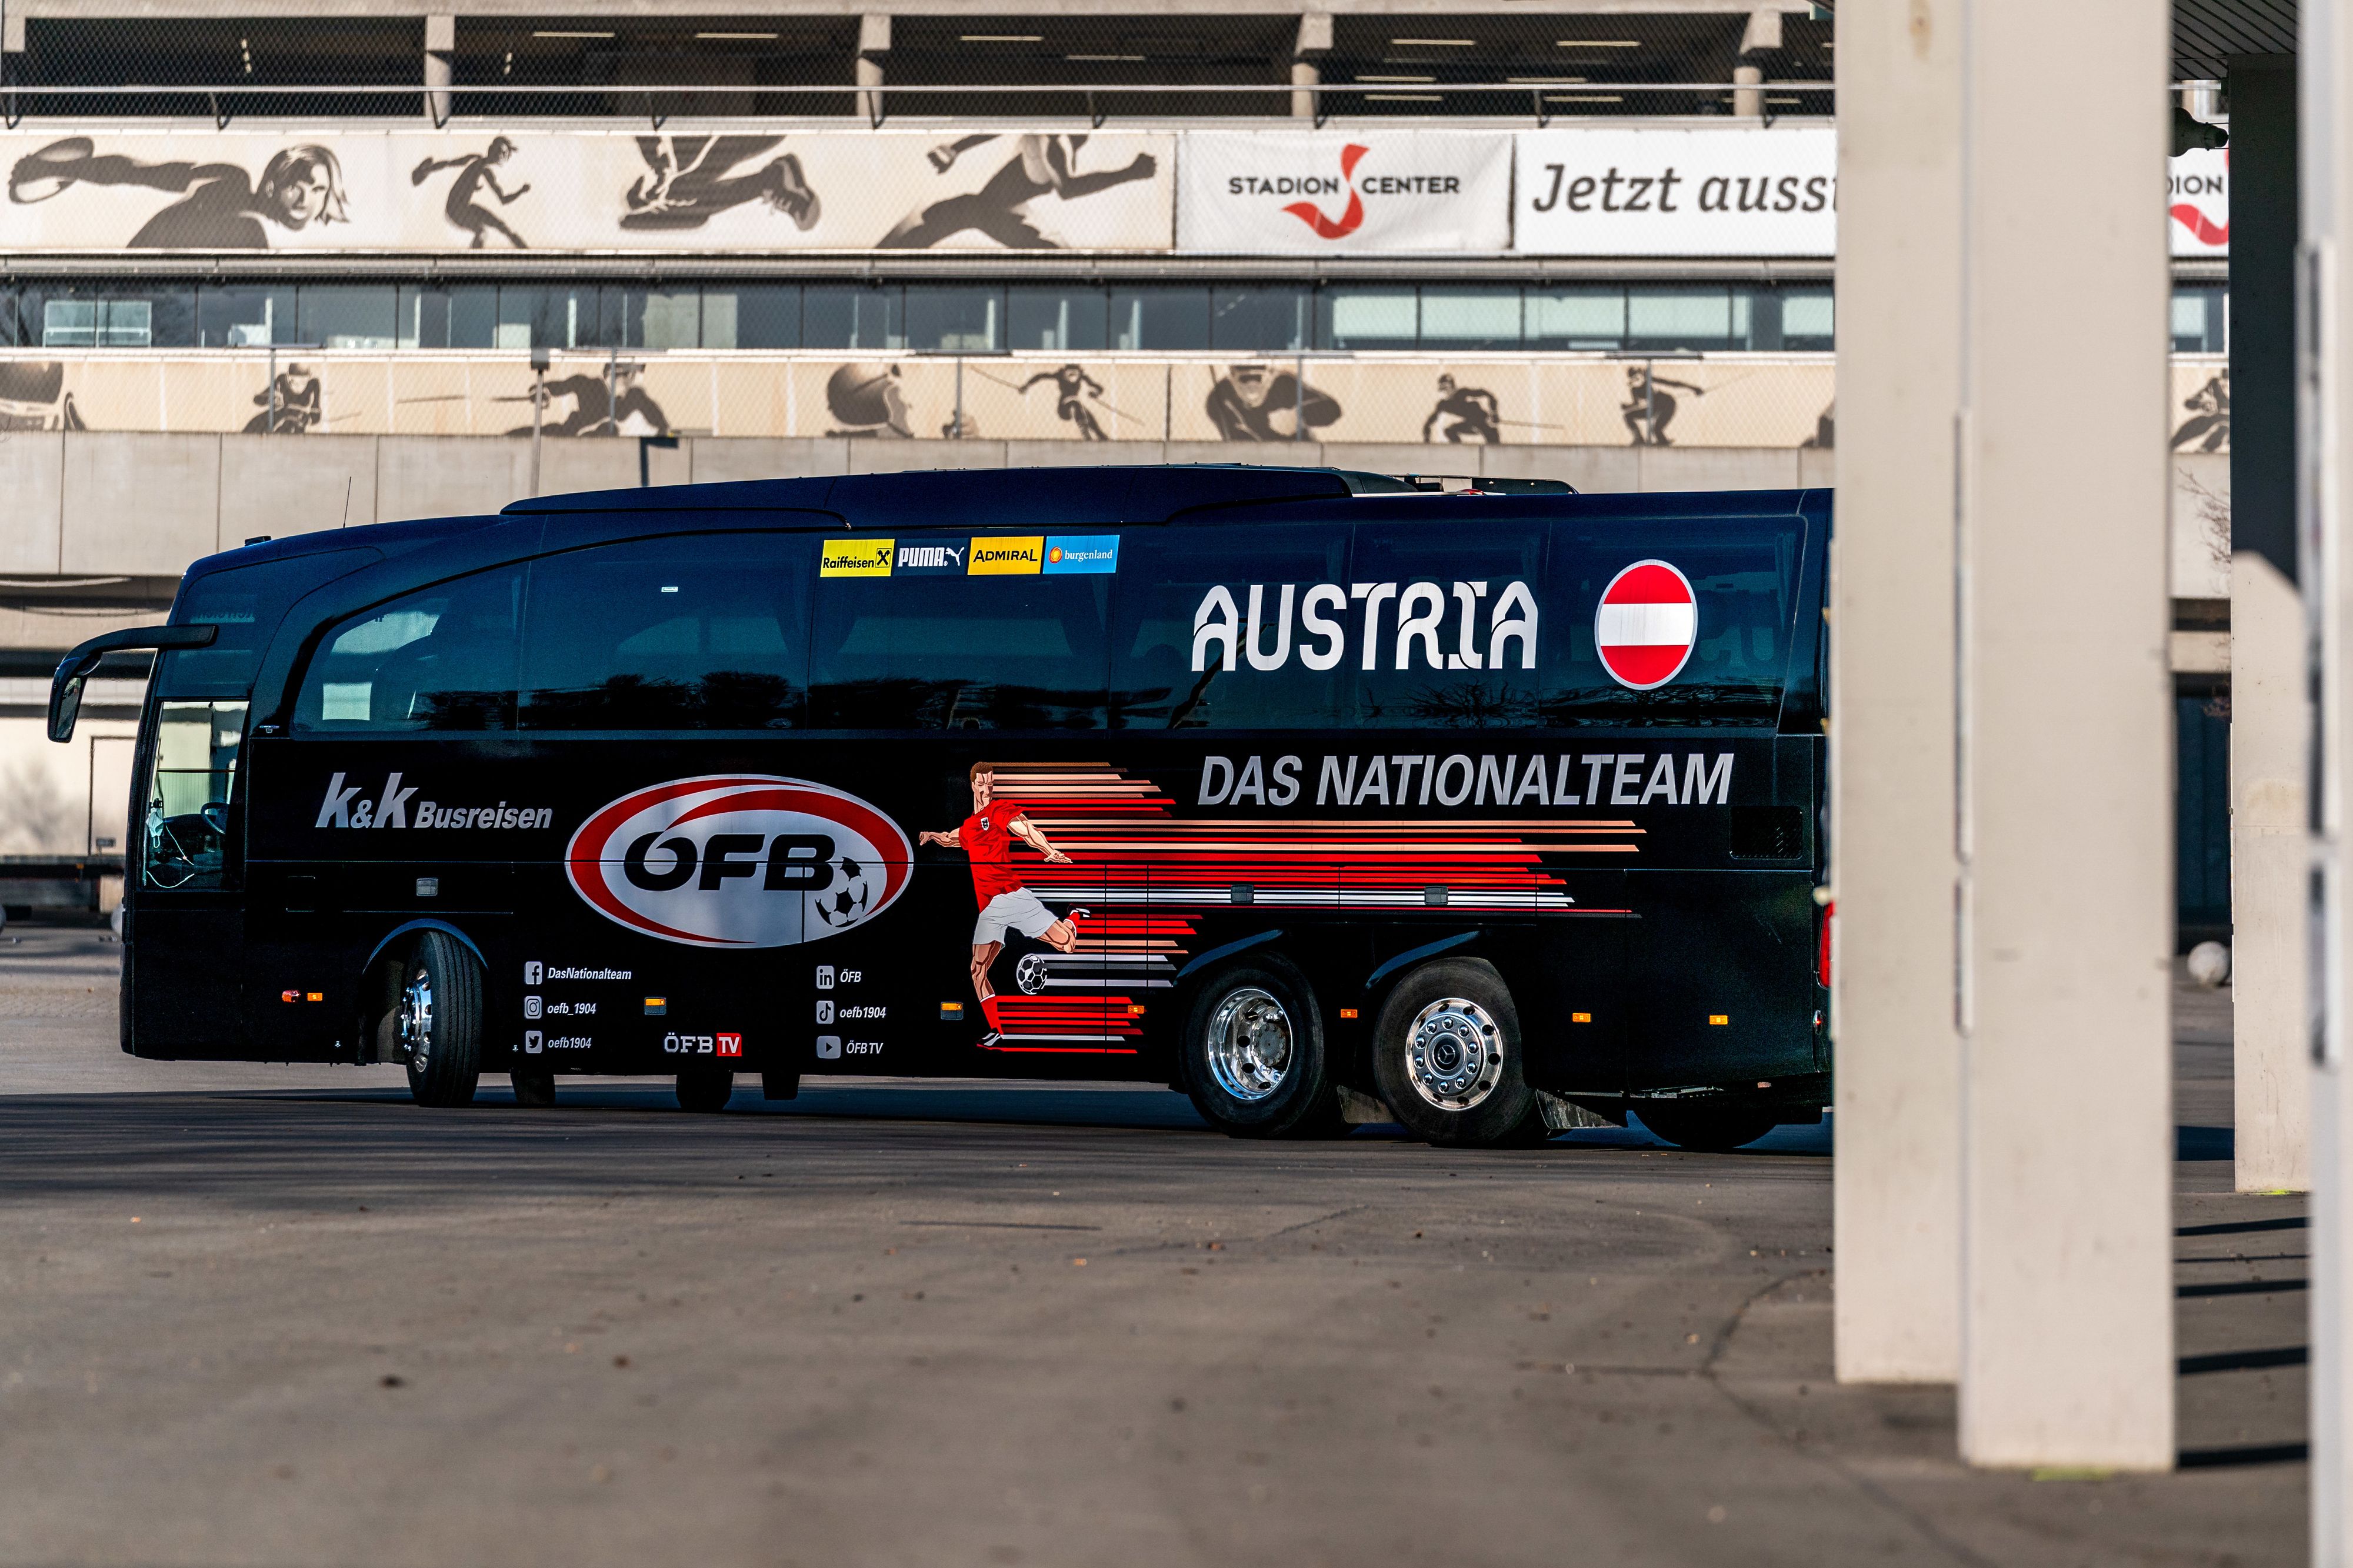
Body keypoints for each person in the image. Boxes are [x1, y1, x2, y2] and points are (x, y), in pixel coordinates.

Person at [918, 763, 1083, 1048]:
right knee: (977, 970)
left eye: (991, 784)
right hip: (989, 910)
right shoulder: (970, 827)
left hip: (1012, 896)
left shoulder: (998, 810)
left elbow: (1027, 831)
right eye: (983, 784)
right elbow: (950, 839)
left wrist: (1050, 850)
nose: (987, 789)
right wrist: (932, 835)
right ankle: (997, 1031)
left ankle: (1076, 915)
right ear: (972, 785)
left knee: (1067, 944)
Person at [8, 137, 347, 249]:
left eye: (318, 190)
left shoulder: (259, 228)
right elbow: (140, 173)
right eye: (297, 187)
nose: (306, 200)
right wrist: (60, 169)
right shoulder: (233, 187)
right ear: (273, 185)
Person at [881, 134, 1156, 251]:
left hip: (1007, 214)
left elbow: (1068, 189)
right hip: (999, 211)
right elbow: (1069, 190)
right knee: (965, 209)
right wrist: (957, 148)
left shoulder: (1060, 146)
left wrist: (958, 148)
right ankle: (897, 252)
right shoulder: (1055, 144)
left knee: (967, 209)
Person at [410, 137, 532, 249]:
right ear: (491, 150)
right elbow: (450, 163)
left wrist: (520, 191)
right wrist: (426, 170)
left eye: (505, 154)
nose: (502, 155)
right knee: (482, 232)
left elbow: (503, 199)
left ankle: (526, 252)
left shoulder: (486, 171)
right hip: (455, 209)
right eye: (500, 151)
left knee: (500, 227)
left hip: (463, 208)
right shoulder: (477, 160)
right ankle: (474, 259)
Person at [1020, 363, 1109, 441]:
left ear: (1079, 373)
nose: (1072, 377)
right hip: (1064, 408)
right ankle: (1086, 434)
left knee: (1087, 414)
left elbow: (1099, 388)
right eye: (1070, 374)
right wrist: (1027, 385)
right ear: (1065, 373)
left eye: (1075, 374)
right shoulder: (1060, 376)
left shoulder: (1082, 377)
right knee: (1075, 403)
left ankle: (1101, 435)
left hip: (1076, 406)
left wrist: (1095, 394)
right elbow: (1041, 376)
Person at [1422, 373, 1503, 444]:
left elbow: (1488, 395)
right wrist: (1427, 440)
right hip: (1470, 424)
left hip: (1484, 423)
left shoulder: (1463, 393)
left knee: (1493, 441)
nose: (1448, 390)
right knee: (1449, 431)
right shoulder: (1444, 405)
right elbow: (1429, 423)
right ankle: (1460, 449)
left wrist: (1494, 413)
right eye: (1444, 388)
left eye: (1448, 386)